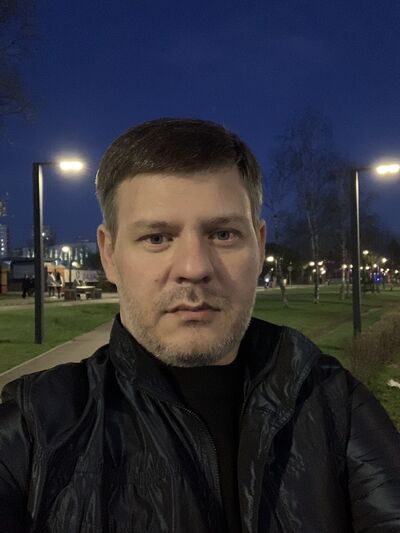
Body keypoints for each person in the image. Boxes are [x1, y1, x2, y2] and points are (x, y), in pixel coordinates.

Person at [0, 119, 399, 532]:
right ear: (109, 255)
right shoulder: (36, 426)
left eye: (223, 234)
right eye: (157, 238)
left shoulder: (333, 403)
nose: (194, 267)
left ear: (259, 245)